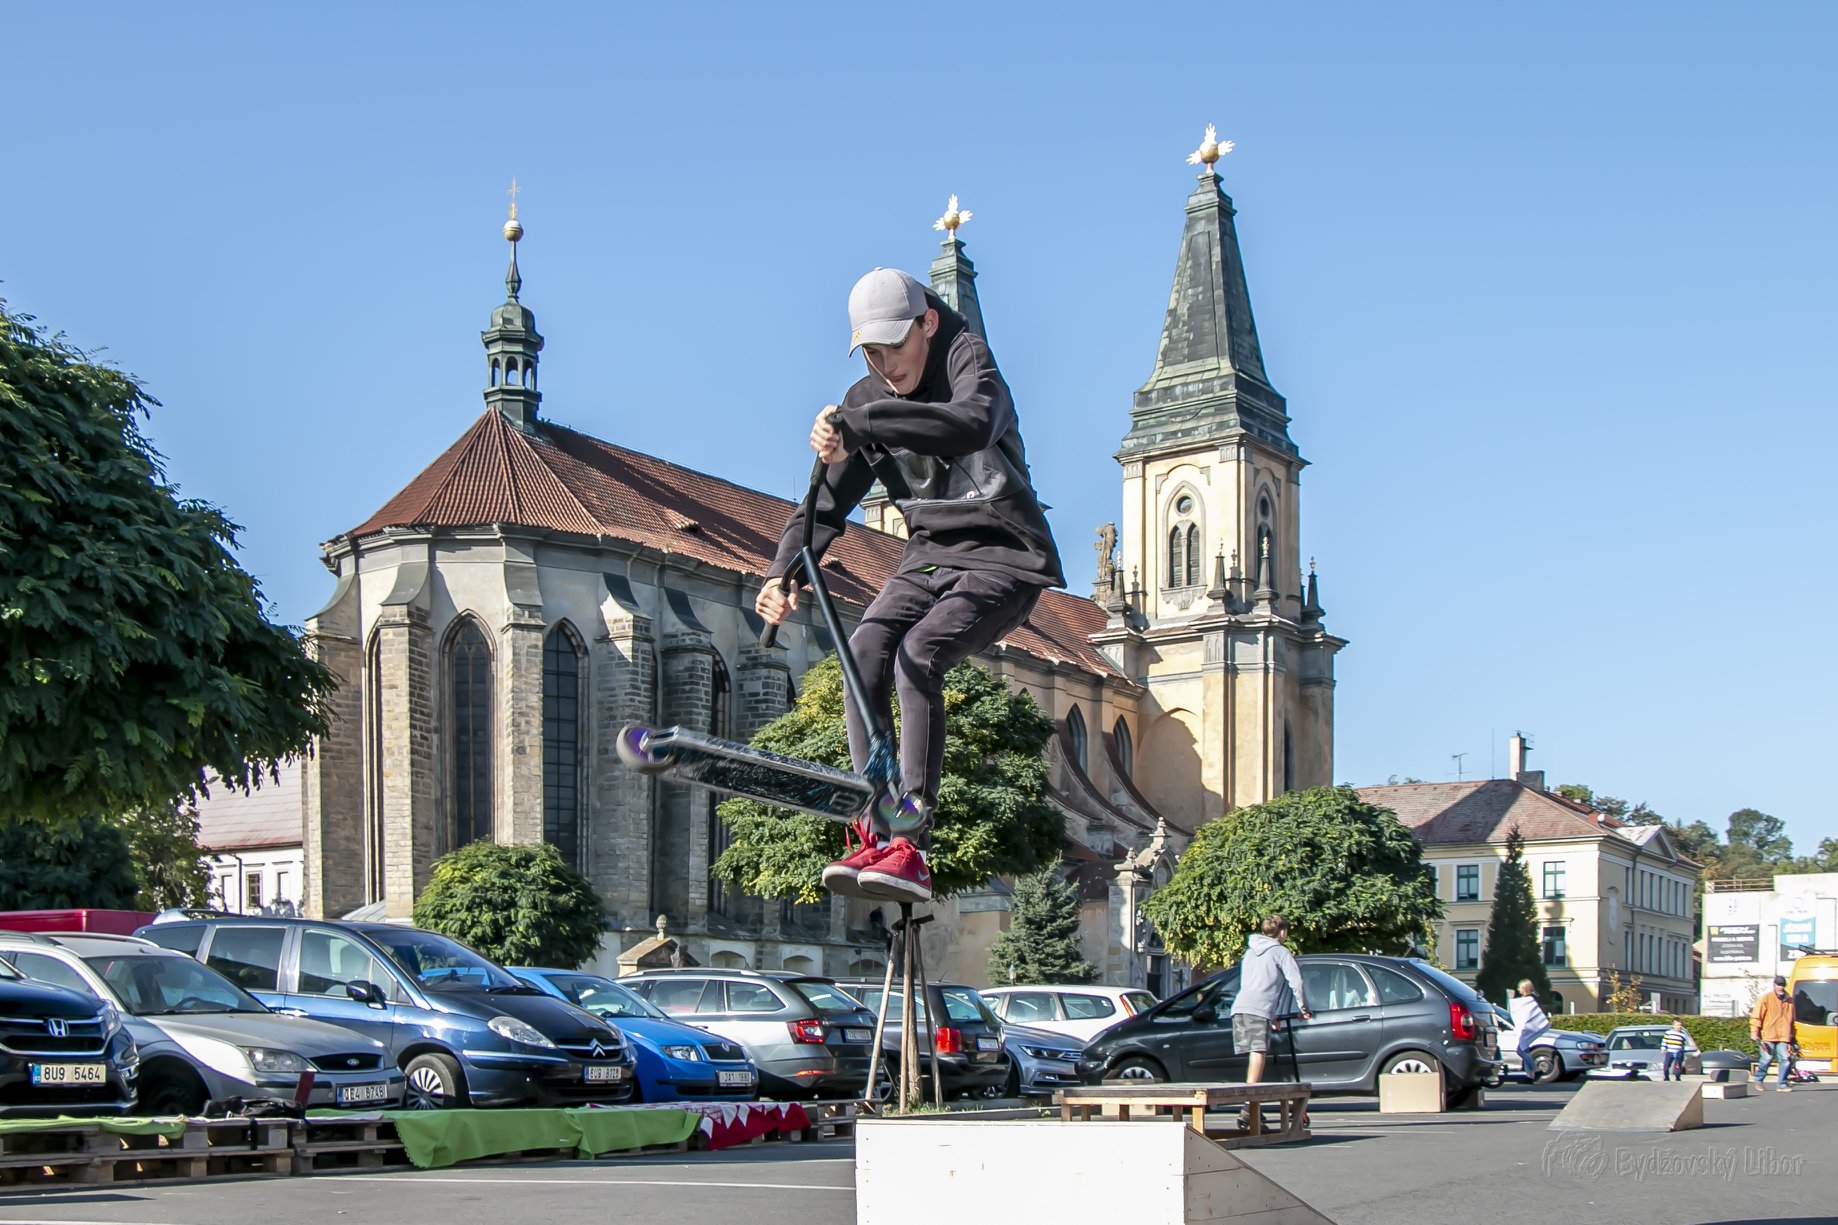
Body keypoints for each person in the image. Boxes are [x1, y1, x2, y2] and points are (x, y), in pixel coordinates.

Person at [756, 268, 1063, 906]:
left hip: (1005, 553)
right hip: (928, 554)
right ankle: (877, 824)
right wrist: (780, 573)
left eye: (894, 347)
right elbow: (824, 507)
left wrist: (863, 427)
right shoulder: (864, 395)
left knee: (917, 654)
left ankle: (913, 841)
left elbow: (970, 425)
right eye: (871, 352)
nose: (885, 364)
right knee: (865, 650)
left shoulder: (968, 359)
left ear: (926, 323)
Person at [1228, 915, 1312, 1131]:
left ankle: (1252, 1106)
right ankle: (1249, 1106)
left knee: (1253, 1054)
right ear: (1282, 932)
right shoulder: (1280, 951)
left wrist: (1272, 1014)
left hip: (1240, 1007)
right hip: (1258, 1009)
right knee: (1258, 1052)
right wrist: (1304, 1008)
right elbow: (1296, 981)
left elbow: (1254, 983)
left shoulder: (1249, 952)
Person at [1751, 975, 1796, 1091]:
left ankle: (1782, 1084)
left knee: (1785, 1060)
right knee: (1766, 1059)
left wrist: (1792, 1036)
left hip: (1784, 1036)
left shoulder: (1789, 1000)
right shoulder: (1766, 998)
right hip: (1768, 1034)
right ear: (1774, 985)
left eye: (1782, 985)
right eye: (1778, 984)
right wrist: (1754, 1032)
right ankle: (1759, 1080)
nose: (1780, 987)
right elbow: (1756, 1016)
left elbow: (1792, 1020)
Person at [1508, 979, 1552, 1071]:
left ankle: (1534, 1068)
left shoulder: (1529, 999)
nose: (1518, 990)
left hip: (1529, 1029)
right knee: (1525, 1049)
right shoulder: (1532, 997)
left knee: (1520, 1050)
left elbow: (1522, 1013)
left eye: (1519, 988)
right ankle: (1530, 1074)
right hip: (1530, 1028)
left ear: (1524, 988)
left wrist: (1510, 1000)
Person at [1659, 1017, 1688, 1081]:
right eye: (1677, 1025)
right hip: (1670, 1051)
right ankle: (1666, 1077)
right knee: (1666, 1065)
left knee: (1678, 1066)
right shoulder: (1669, 1033)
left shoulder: (1683, 1035)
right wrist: (1663, 1048)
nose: (1679, 1027)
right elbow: (1664, 1041)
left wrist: (1683, 1050)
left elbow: (1684, 1044)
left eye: (1680, 1025)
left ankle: (1677, 1077)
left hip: (1678, 1052)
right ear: (1673, 1026)